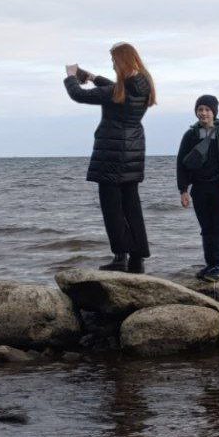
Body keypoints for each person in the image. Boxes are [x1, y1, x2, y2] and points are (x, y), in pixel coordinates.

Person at [63, 42, 156, 274]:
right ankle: (137, 259)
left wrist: (71, 76)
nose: (113, 66)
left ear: (123, 62)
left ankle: (120, 257)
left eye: (114, 62)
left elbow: (79, 94)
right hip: (133, 151)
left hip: (112, 153)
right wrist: (92, 76)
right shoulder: (143, 84)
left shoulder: (117, 92)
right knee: (132, 207)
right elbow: (115, 88)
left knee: (112, 208)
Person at [176, 95, 219, 282]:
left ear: (214, 112)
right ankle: (210, 264)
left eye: (207, 110)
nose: (203, 113)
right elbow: (181, 163)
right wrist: (183, 190)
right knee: (206, 229)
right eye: (200, 109)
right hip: (199, 189)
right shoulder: (190, 136)